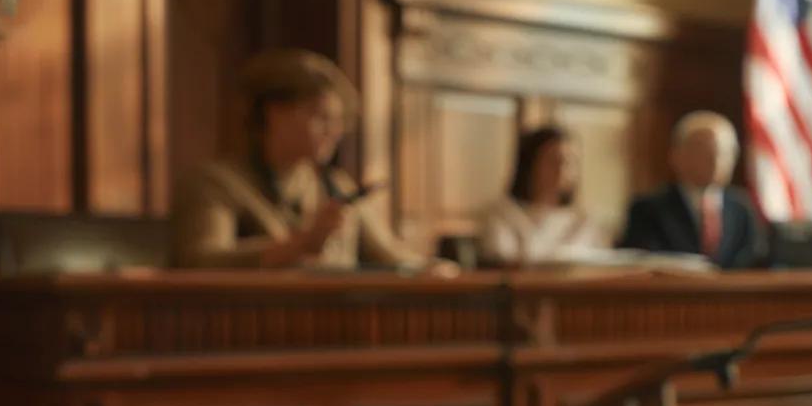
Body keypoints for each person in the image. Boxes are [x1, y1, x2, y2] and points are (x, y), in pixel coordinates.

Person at [172, 48, 445, 273]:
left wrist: (432, 270)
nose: (334, 131)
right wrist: (301, 244)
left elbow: (392, 256)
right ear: (273, 114)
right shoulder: (213, 183)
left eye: (339, 121)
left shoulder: (336, 185)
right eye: (320, 117)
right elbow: (200, 261)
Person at [618, 111, 765, 269]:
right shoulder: (648, 209)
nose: (715, 159)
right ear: (677, 156)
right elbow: (640, 263)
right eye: (704, 150)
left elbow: (756, 260)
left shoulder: (741, 208)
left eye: (724, 151)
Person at [479, 126, 611, 267]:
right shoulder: (502, 213)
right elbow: (503, 260)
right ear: (530, 164)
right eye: (553, 161)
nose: (562, 169)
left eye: (570, 161)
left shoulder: (585, 219)